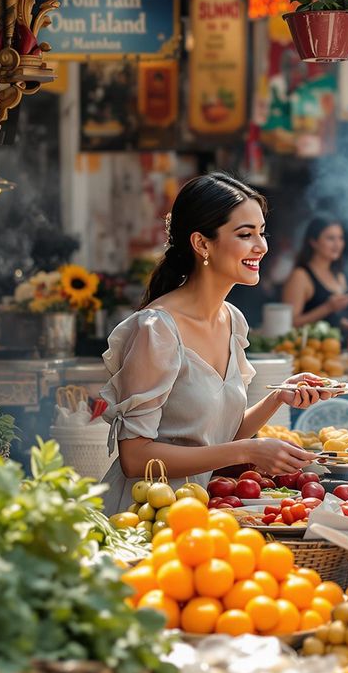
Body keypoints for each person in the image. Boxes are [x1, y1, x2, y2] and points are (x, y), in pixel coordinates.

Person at [99, 173, 334, 515]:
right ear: (202, 244)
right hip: (142, 518)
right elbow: (135, 459)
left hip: (195, 513)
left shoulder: (232, 320)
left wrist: (276, 398)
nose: (262, 246)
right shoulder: (157, 329)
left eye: (262, 232)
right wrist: (248, 452)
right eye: (245, 234)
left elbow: (217, 435)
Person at [281, 217, 348, 334]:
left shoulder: (339, 276)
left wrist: (343, 323)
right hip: (309, 349)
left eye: (340, 238)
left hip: (337, 347)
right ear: (313, 242)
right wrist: (328, 307)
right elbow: (290, 323)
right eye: (330, 238)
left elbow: (327, 320)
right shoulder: (300, 276)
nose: (337, 244)